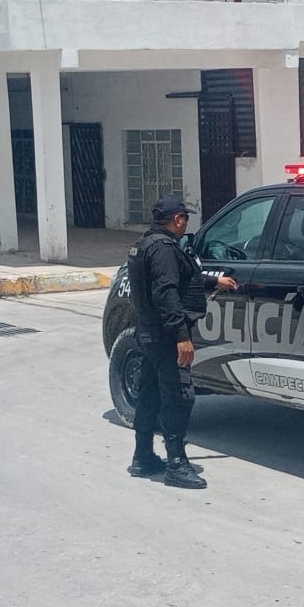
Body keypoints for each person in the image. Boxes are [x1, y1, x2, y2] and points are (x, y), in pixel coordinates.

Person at [127, 194, 238, 488]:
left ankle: (142, 457)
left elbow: (180, 277)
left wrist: (215, 282)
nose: (186, 222)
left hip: (149, 332)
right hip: (165, 335)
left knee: (149, 393)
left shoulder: (146, 244)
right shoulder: (164, 249)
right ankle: (176, 464)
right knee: (178, 396)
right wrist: (181, 337)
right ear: (177, 219)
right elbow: (166, 291)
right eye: (185, 218)